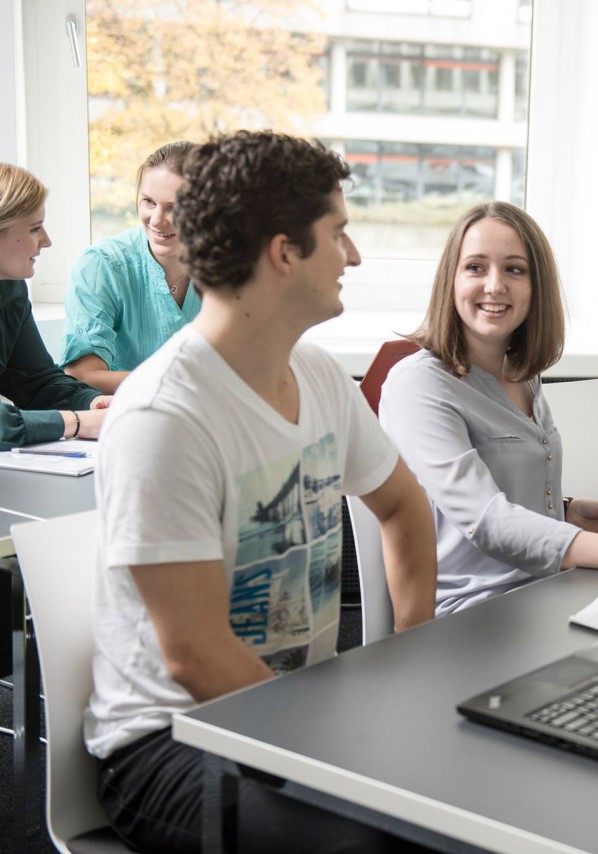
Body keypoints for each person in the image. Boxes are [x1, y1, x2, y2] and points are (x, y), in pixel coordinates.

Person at [86, 131, 438, 854]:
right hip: (170, 742)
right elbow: (194, 655)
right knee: (381, 843)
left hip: (290, 707)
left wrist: (408, 670)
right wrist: (337, 746)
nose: (353, 256)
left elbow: (404, 508)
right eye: (338, 234)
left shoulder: (315, 373)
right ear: (284, 253)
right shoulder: (163, 416)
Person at [380, 202, 598, 616]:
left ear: (536, 286)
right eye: (475, 267)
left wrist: (564, 511)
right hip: (472, 612)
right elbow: (487, 520)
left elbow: (505, 486)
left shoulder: (522, 374)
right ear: (451, 278)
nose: (494, 285)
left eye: (514, 269)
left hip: (549, 589)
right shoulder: (417, 384)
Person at [63, 141, 202, 393]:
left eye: (174, 208)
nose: (157, 220)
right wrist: (182, 386)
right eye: (149, 201)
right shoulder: (101, 267)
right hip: (122, 410)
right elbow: (82, 376)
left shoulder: (233, 265)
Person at [0, 162, 111, 447]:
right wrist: (76, 422)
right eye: (35, 228)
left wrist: (94, 403)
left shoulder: (10, 290)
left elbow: (36, 381)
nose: (46, 241)